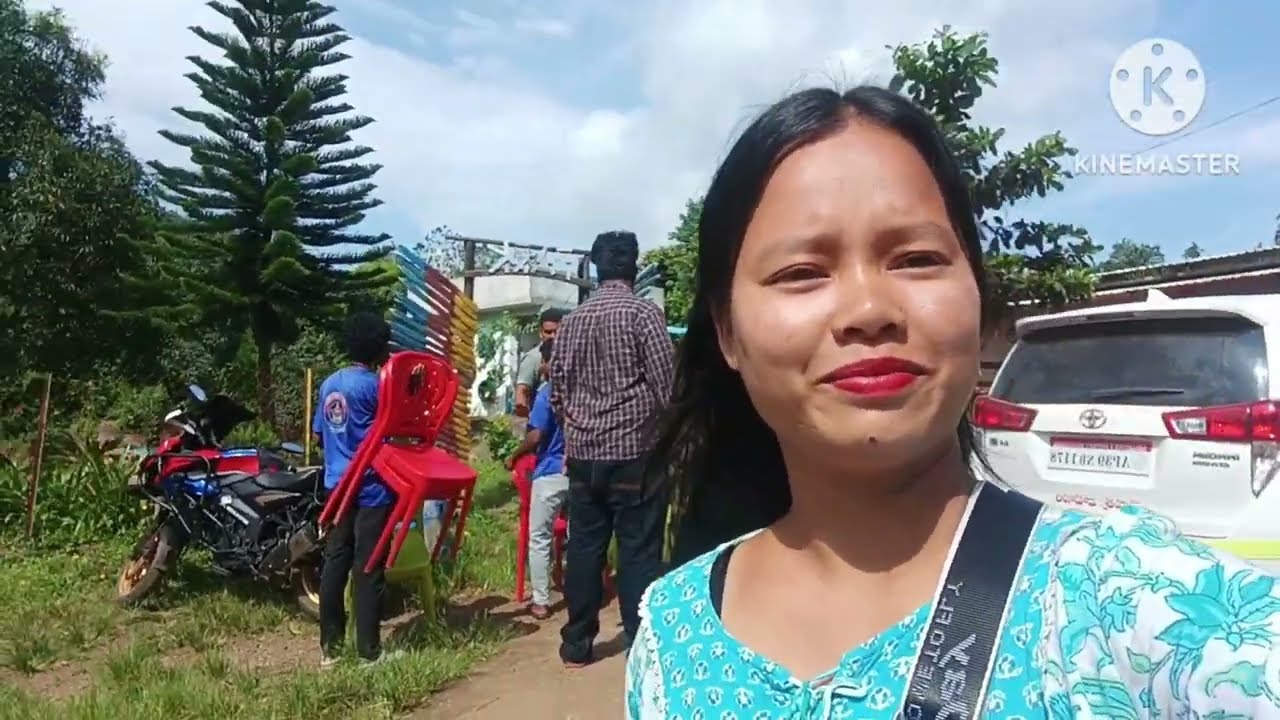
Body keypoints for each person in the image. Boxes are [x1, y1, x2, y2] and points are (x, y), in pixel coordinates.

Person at [625, 85, 1280, 718]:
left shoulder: (1125, 601)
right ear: (727, 332)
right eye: (802, 273)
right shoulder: (671, 631)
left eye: (915, 259)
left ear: (976, 293)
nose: (870, 309)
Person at [550, 229, 675, 667]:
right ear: (633, 266)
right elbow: (667, 386)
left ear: (597, 267)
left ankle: (577, 644)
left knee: (585, 548)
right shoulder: (644, 314)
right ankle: (640, 646)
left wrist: (578, 428)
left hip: (584, 456)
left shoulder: (571, 322)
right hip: (635, 453)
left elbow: (557, 393)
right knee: (637, 550)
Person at [314, 311, 395, 667]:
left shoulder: (329, 384)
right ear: (378, 348)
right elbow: (392, 437)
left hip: (336, 486)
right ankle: (369, 652)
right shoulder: (377, 388)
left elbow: (320, 435)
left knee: (335, 562)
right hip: (372, 489)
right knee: (368, 566)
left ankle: (330, 649)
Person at [505, 339, 567, 620]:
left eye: (543, 361)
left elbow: (536, 436)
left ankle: (541, 601)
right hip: (580, 471)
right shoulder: (582, 388)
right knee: (582, 536)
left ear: (548, 363)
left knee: (540, 536)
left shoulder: (546, 394)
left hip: (550, 473)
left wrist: (514, 455)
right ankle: (585, 592)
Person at [514, 307, 565, 417]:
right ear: (541, 333)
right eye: (548, 332)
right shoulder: (533, 357)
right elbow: (521, 394)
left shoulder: (569, 355)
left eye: (557, 332)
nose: (553, 336)